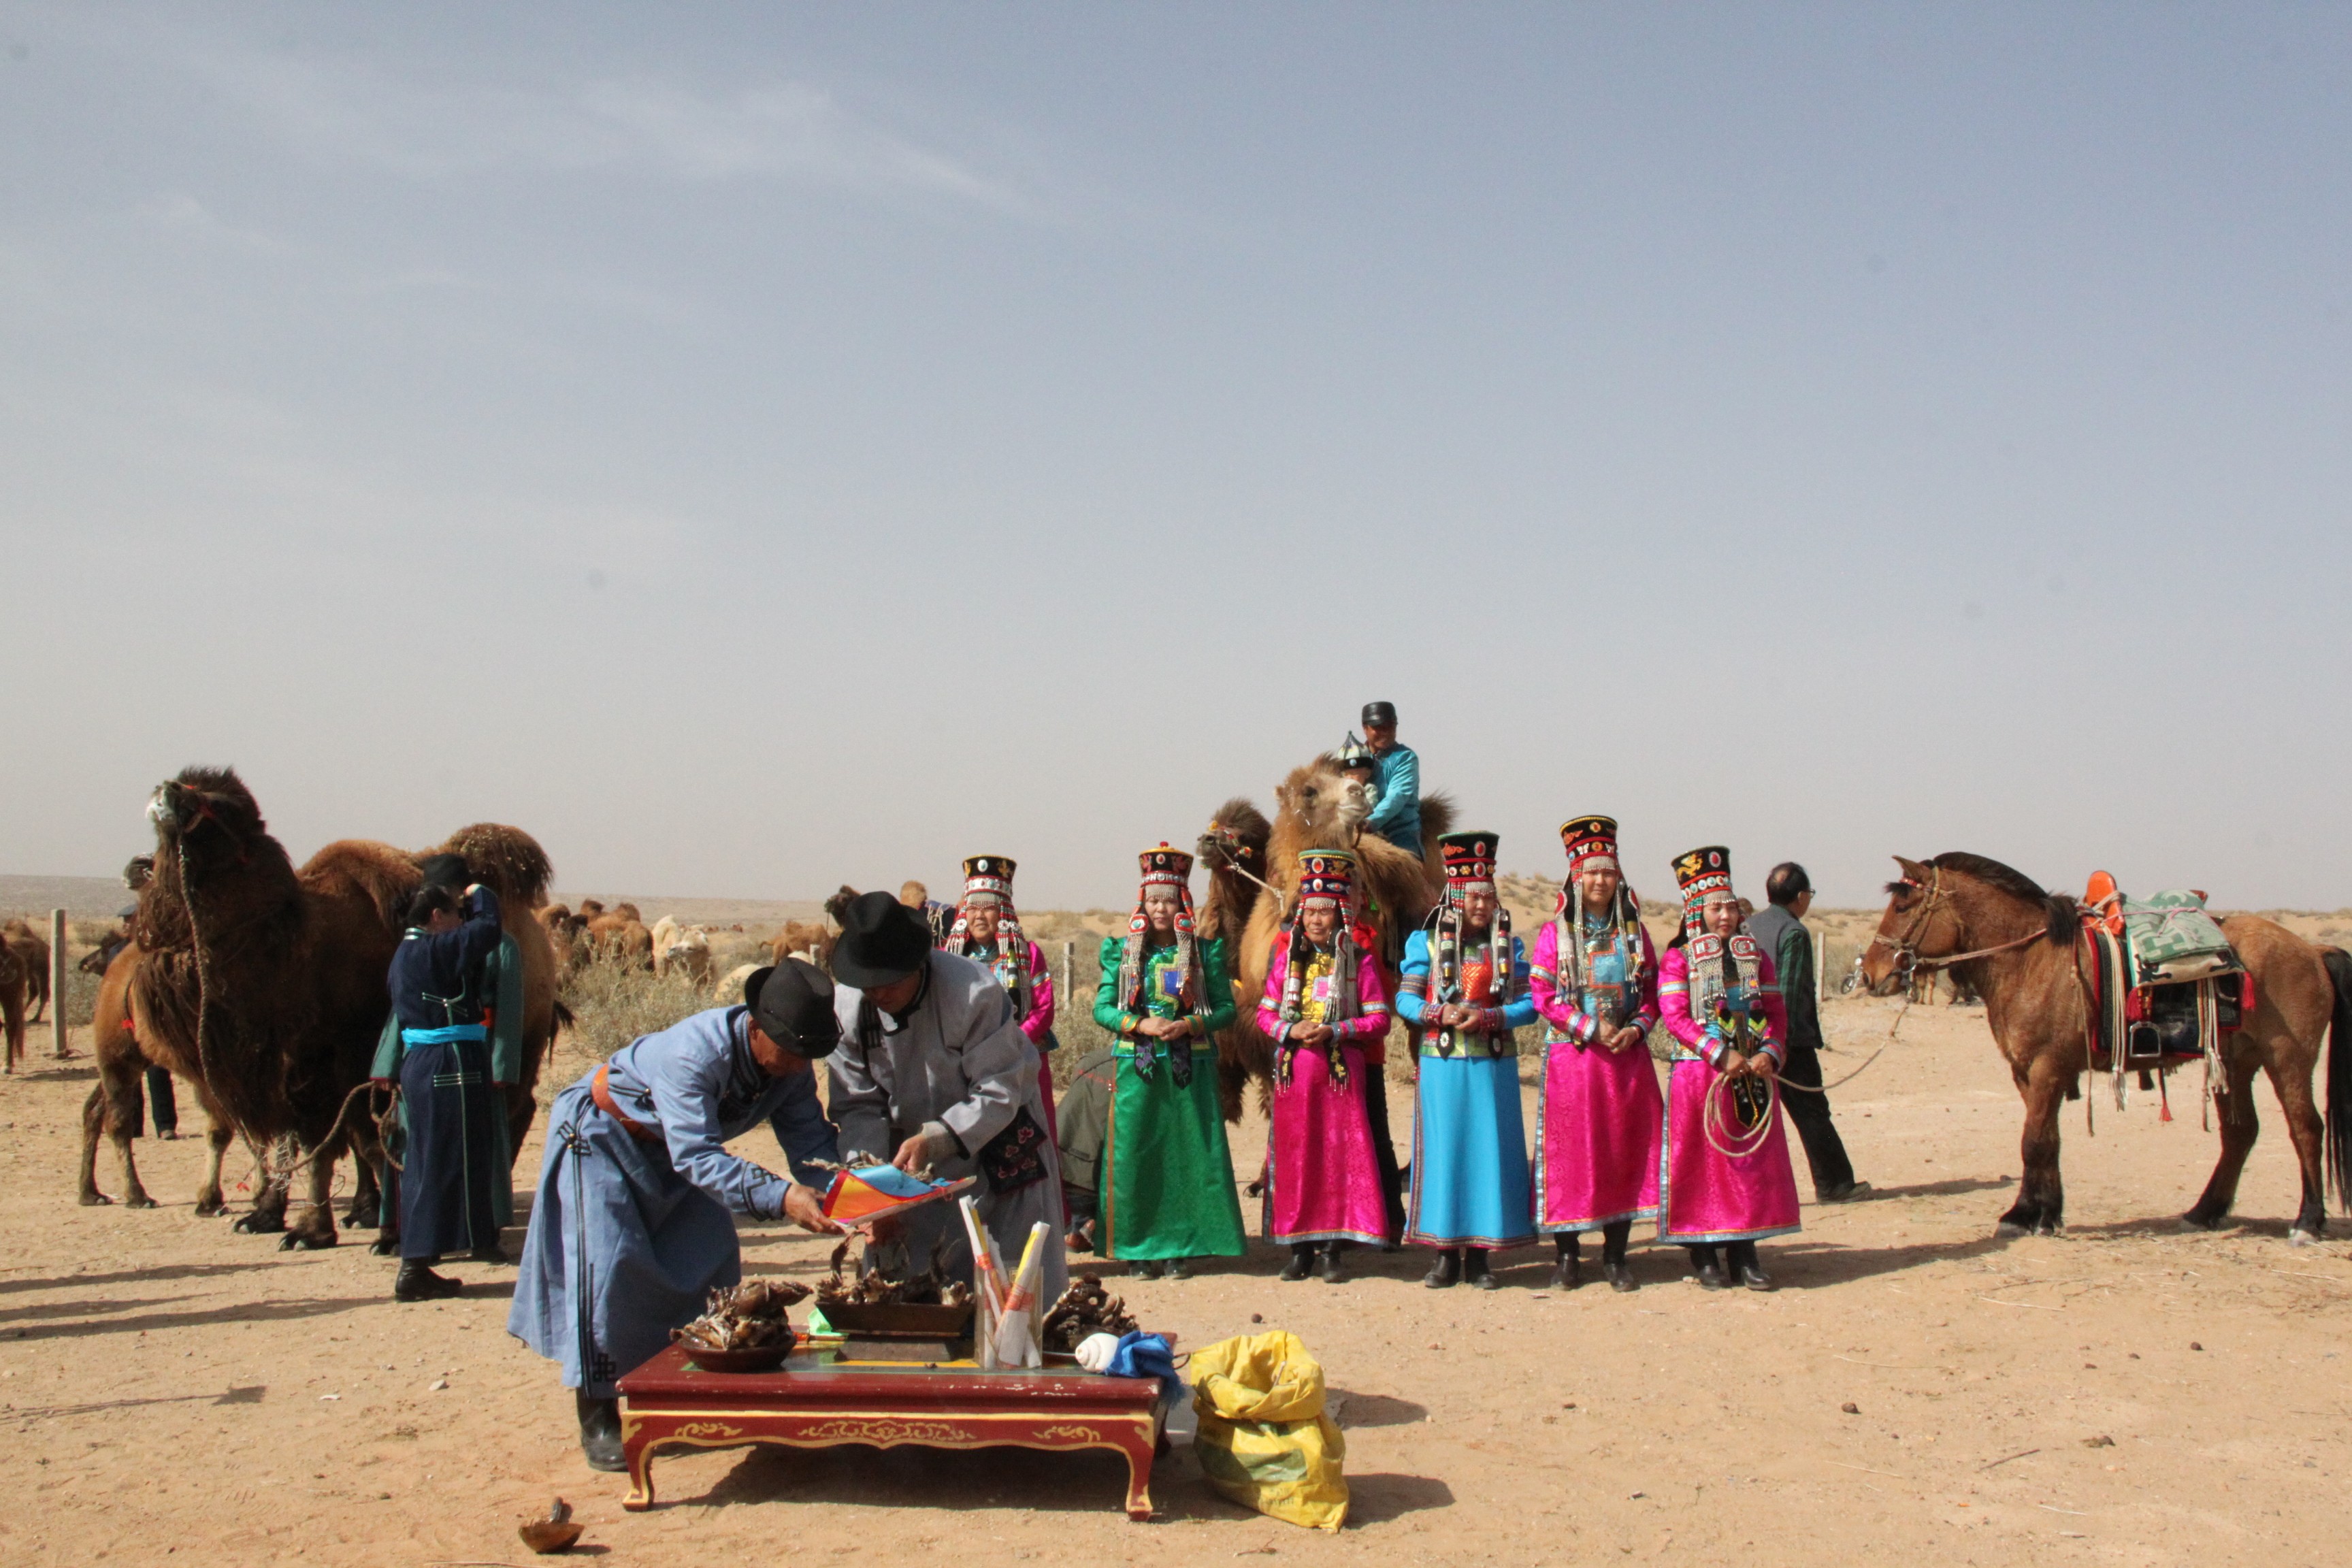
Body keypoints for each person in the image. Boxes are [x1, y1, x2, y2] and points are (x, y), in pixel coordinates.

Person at [508, 960, 844, 1470]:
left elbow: (810, 1144)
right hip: (604, 1138)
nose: (801, 1067)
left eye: (810, 1056)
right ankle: (599, 1414)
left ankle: (688, 1398)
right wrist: (782, 1198)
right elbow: (699, 1158)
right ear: (756, 1027)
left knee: (710, 1257)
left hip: (675, 1153)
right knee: (608, 1270)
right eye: (793, 1052)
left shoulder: (789, 1068)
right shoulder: (694, 1054)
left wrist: (850, 1198)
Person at [828, 891, 1068, 1308]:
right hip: (906, 1166)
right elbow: (856, 1104)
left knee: (1008, 1294)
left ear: (919, 965)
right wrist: (872, 1190)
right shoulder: (847, 1008)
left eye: (889, 981)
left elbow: (999, 1088)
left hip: (998, 1146)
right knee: (902, 1292)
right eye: (869, 984)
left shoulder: (972, 990)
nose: (878, 994)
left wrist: (936, 1139)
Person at [1090, 844, 1245, 1279]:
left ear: (1183, 902)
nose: (1160, 908)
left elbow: (1226, 1010)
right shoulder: (1121, 951)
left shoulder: (1203, 952)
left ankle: (1182, 1246)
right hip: (1136, 1070)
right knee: (1138, 1155)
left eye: (1169, 898)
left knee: (1185, 1157)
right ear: (1143, 902)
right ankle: (1136, 1247)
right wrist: (1138, 1025)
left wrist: (1192, 1024)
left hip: (1188, 1069)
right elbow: (1102, 1009)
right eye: (1153, 899)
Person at [1395, 832, 1535, 1290]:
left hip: (1492, 1068)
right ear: (1455, 897)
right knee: (1445, 1153)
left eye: (1488, 896)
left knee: (1488, 1155)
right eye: (1473, 896)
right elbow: (1407, 1001)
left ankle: (1480, 1256)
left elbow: (1531, 1004)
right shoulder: (1426, 943)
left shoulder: (1509, 949)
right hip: (1443, 1065)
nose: (1481, 905)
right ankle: (1443, 1254)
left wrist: (1491, 1016)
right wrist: (1440, 1013)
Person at [1657, 847, 1801, 1291]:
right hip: (1702, 1077)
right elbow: (1675, 1015)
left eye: (1731, 905)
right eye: (1714, 907)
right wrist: (1719, 1053)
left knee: (1747, 1165)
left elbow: (1776, 1012)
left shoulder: (1755, 956)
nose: (1724, 915)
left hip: (1751, 1077)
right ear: (1695, 910)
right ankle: (1703, 1253)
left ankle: (1746, 1252)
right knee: (1701, 1166)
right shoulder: (1679, 958)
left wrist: (1769, 1053)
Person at [1527, 816, 1662, 1291]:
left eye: (1608, 871)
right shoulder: (1554, 934)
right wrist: (1590, 1027)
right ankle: (1567, 1257)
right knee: (1571, 1156)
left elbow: (1651, 995)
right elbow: (1543, 996)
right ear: (1575, 877)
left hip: (1625, 1060)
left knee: (1620, 1152)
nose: (1601, 880)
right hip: (1574, 1061)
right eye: (1591, 871)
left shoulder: (1634, 933)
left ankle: (1615, 1255)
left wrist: (1637, 1028)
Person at [1254, 849, 1393, 1283]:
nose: (1317, 920)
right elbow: (1264, 1013)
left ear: (1339, 913)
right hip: (1296, 1075)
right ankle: (1299, 1248)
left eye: (1326, 911)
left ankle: (1333, 1249)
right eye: (1310, 911)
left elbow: (1380, 1019)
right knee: (1298, 1157)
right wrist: (1289, 1031)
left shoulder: (1359, 959)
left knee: (1336, 1157)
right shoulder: (1286, 961)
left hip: (1339, 1074)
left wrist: (1336, 1031)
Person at [373, 879, 509, 1302]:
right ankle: (414, 1266)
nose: (459, 921)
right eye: (453, 913)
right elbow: (488, 929)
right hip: (448, 1063)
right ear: (435, 917)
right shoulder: (431, 950)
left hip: (432, 1064)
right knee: (437, 1161)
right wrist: (480, 894)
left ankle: (464, 1241)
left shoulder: (405, 954)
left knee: (453, 1153)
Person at [1747, 862, 1869, 1204]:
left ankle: (1751, 1195)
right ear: (1801, 897)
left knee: (1751, 1116)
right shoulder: (1794, 932)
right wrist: (1779, 1044)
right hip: (1788, 1045)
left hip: (1746, 1038)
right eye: (1809, 895)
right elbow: (1788, 993)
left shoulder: (1748, 926)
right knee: (1813, 1114)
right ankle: (1835, 1185)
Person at [941, 855, 1060, 1139]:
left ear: (1003, 912)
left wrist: (1009, 1044)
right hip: (964, 1064)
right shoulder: (950, 957)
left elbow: (1043, 1009)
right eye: (973, 908)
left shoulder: (1027, 954)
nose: (979, 916)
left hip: (1021, 1057)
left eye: (988, 908)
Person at [1359, 701, 1422, 858]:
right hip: (1358, 834)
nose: (1385, 732)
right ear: (1365, 728)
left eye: (1390, 726)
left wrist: (1370, 823)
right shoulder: (1352, 758)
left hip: (1400, 835)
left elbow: (1397, 797)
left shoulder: (1405, 758)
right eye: (1378, 727)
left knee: (1401, 873)